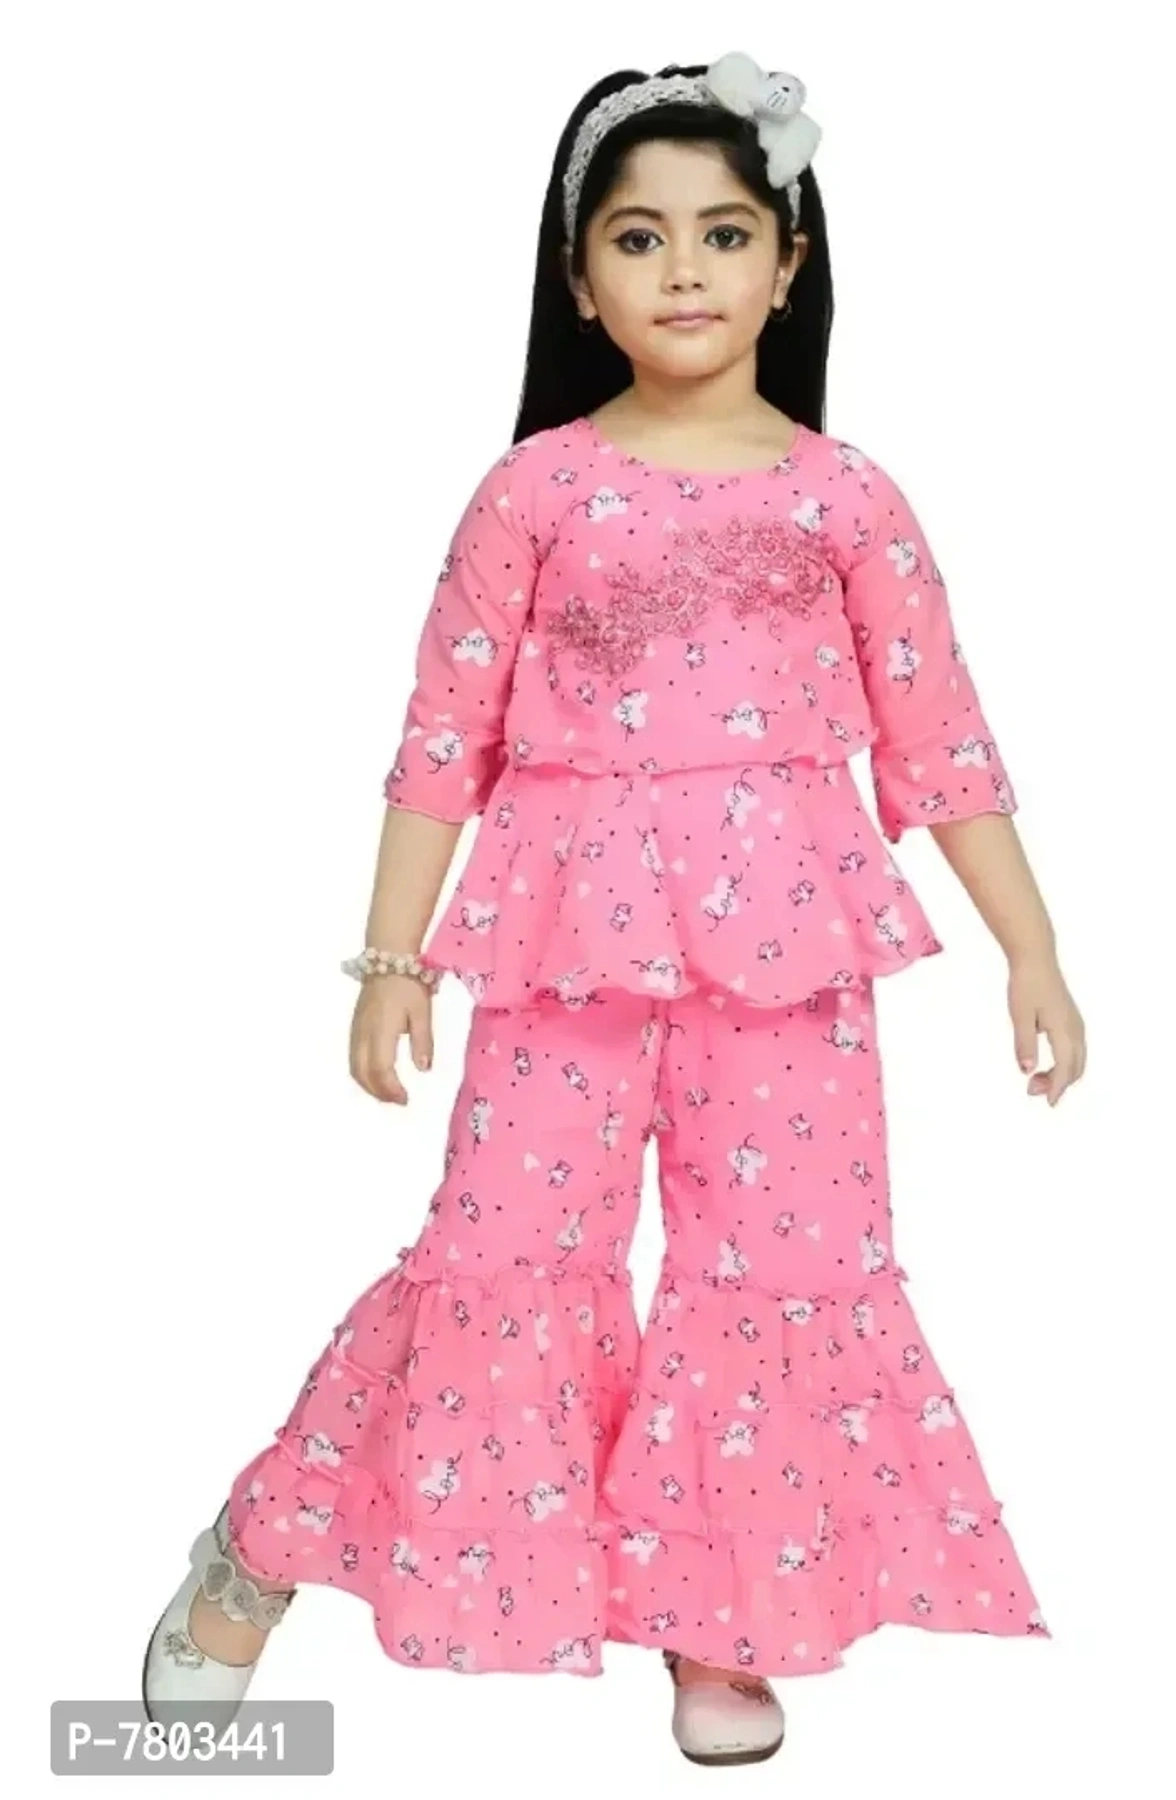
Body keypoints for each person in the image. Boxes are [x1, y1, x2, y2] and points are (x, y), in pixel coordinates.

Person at [142, 49, 1085, 1767]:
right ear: (580, 281)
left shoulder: (847, 497)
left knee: (786, 1267)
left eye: (725, 234)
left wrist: (1034, 949)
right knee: (504, 1253)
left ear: (787, 264)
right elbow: (444, 737)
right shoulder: (536, 492)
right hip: (562, 936)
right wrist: (390, 958)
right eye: (639, 239)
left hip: (790, 950)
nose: (685, 272)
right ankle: (263, 1542)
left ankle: (724, 1617)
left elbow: (941, 739)